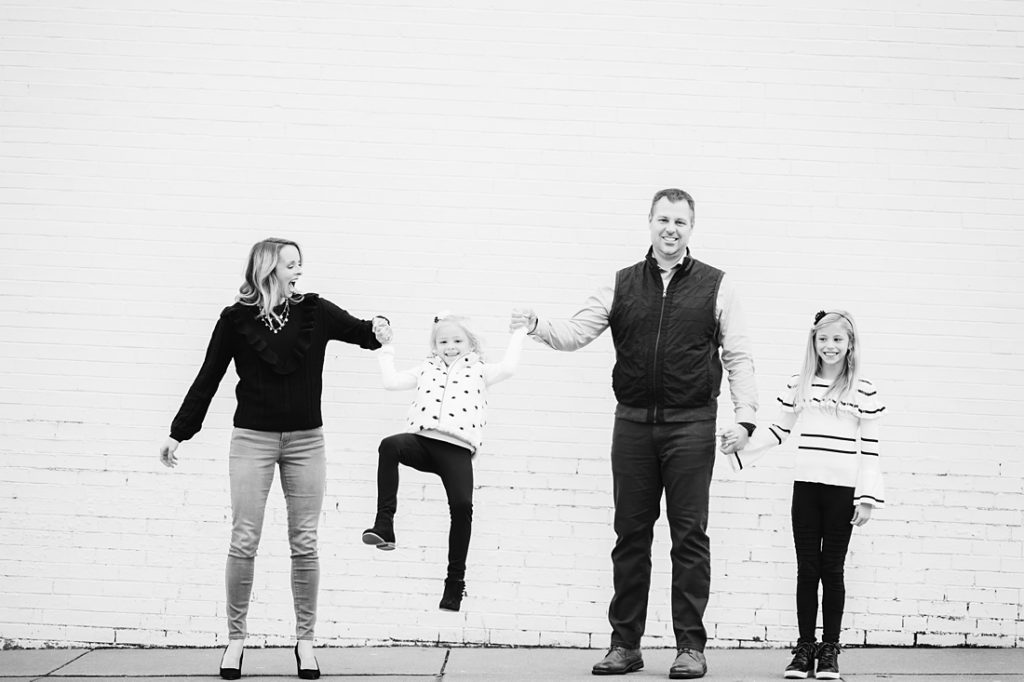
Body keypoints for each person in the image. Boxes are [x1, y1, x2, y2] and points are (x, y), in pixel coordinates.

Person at [510, 188, 757, 679]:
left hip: (691, 426)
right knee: (630, 537)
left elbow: (739, 356)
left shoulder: (718, 286)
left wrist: (745, 416)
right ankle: (625, 645)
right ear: (649, 222)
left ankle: (690, 647)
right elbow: (576, 332)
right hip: (633, 425)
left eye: (680, 222)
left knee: (690, 538)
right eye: (663, 219)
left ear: (691, 228)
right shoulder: (620, 284)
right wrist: (538, 325)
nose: (671, 229)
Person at [158, 237, 391, 681]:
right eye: (290, 264)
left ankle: (305, 643)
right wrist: (178, 433)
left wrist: (380, 327)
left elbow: (364, 333)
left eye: (300, 264)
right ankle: (236, 642)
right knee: (244, 538)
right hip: (252, 441)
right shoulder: (235, 320)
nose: (298, 271)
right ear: (267, 269)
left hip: (307, 442)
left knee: (304, 542)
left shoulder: (314, 311)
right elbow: (208, 375)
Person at [719, 310, 885, 680]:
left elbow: (871, 450)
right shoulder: (799, 385)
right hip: (806, 491)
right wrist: (742, 441)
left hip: (842, 493)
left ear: (850, 344)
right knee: (807, 569)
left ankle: (829, 652)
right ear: (813, 342)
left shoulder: (864, 389)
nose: (830, 346)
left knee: (833, 570)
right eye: (823, 339)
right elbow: (779, 431)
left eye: (838, 340)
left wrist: (867, 497)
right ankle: (804, 649)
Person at [362, 312, 527, 612]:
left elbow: (510, 368)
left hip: (457, 449)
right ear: (434, 345)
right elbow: (391, 382)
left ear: (470, 343)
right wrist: (385, 348)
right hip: (423, 442)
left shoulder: (480, 371)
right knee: (389, 446)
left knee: (462, 507)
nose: (450, 346)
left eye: (457, 340)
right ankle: (384, 525)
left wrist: (520, 331)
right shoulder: (426, 368)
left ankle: (455, 583)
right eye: (443, 341)